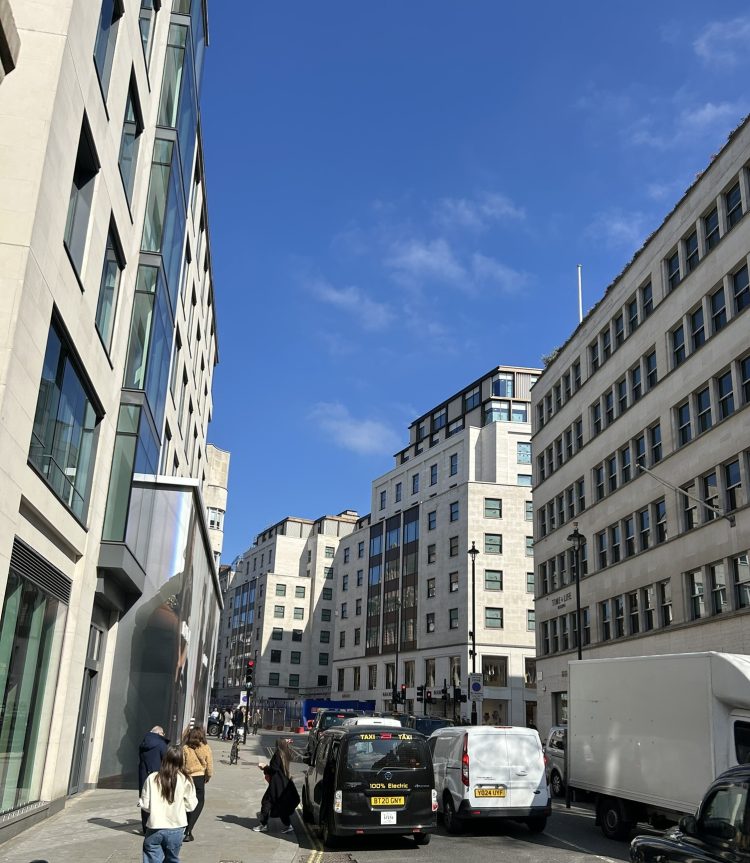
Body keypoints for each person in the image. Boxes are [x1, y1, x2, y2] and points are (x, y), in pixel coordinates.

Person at [139, 744, 197, 863]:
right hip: (176, 826)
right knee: (172, 859)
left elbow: (145, 805)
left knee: (152, 858)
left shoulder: (152, 778)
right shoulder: (186, 779)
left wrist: (155, 808)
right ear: (181, 760)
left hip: (155, 826)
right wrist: (180, 807)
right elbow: (191, 805)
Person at [253, 738, 299, 833]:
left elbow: (273, 769)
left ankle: (263, 825)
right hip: (284, 784)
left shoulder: (278, 754)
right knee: (281, 805)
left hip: (276, 785)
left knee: (266, 802)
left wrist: (264, 767)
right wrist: (286, 742)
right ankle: (288, 825)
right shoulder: (286, 753)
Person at [182, 726, 213, 842]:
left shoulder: (185, 748)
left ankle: (184, 826)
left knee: (186, 801)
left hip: (187, 777)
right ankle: (189, 830)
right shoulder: (206, 747)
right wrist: (208, 776)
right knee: (199, 802)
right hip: (199, 777)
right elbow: (209, 765)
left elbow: (182, 764)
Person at [138, 726, 169, 833]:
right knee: (157, 799)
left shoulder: (144, 742)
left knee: (145, 799)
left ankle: (145, 827)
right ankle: (154, 825)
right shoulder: (161, 744)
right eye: (163, 733)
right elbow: (166, 760)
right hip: (157, 774)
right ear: (159, 733)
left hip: (144, 774)